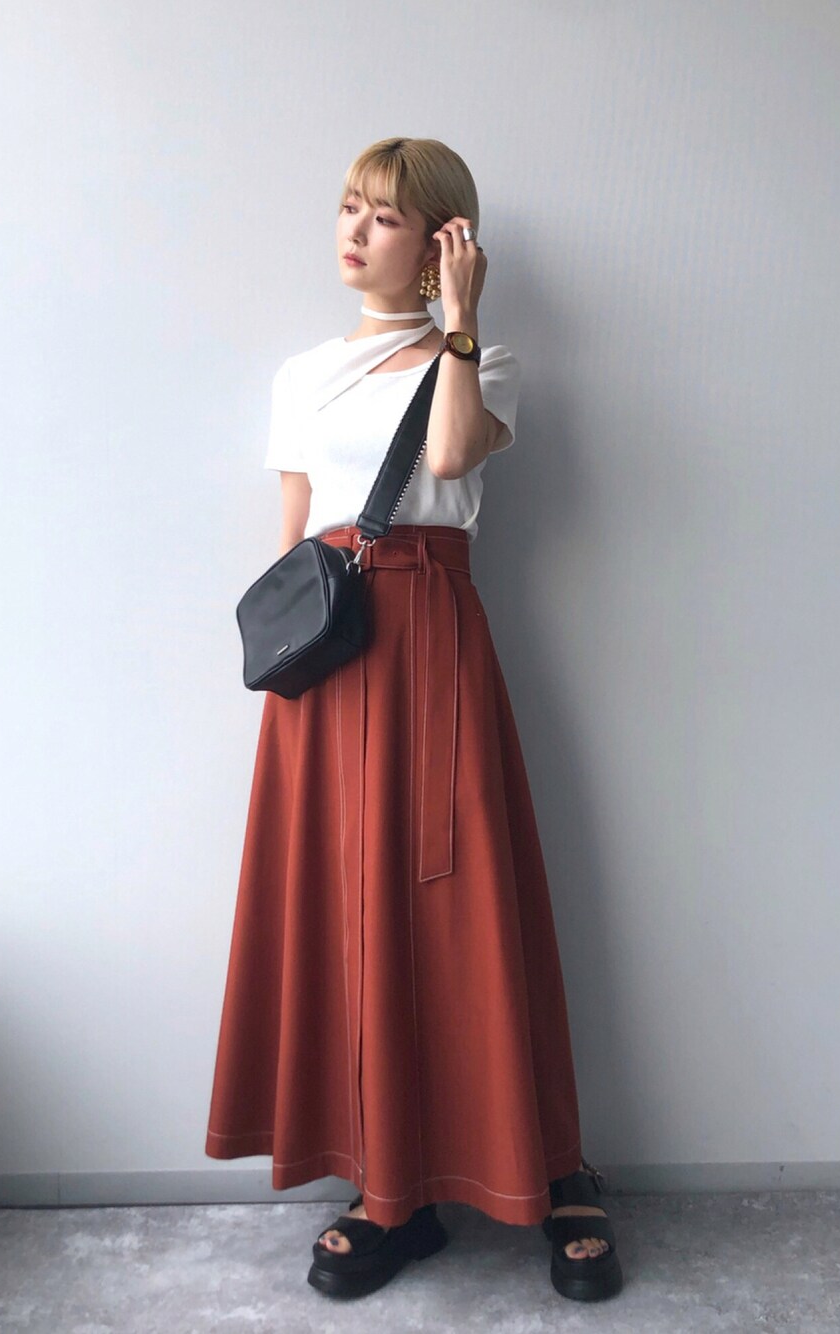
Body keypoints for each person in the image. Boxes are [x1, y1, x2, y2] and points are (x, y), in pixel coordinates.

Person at [205, 136, 624, 1303]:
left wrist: (463, 320)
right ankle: (390, 1189)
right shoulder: (300, 375)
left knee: (462, 895)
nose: (353, 230)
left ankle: (548, 1163)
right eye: (349, 206)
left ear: (441, 243)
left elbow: (445, 453)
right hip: (327, 655)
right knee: (343, 904)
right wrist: (284, 670)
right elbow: (292, 535)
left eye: (384, 216)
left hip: (432, 643)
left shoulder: (488, 363)